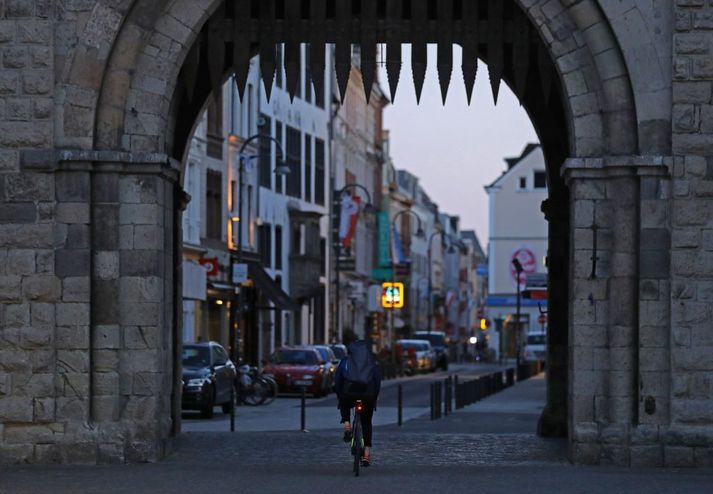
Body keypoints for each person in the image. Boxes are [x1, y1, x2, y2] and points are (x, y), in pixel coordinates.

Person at [334, 340, 381, 467]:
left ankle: (347, 425)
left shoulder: (345, 361)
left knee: (344, 404)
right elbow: (377, 380)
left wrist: (339, 395)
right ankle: (366, 454)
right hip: (368, 395)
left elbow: (338, 379)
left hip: (348, 394)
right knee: (366, 422)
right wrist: (375, 398)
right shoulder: (371, 361)